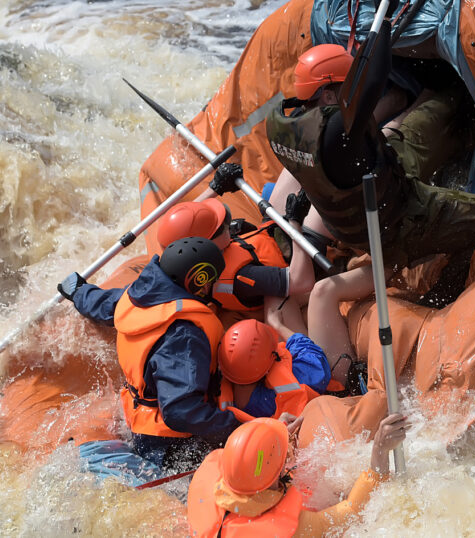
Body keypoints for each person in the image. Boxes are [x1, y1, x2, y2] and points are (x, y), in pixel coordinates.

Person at [265, 0, 475, 306]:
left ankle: (456, 107)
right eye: (343, 86)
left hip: (379, 171)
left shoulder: (281, 125)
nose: (349, 90)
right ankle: (445, 296)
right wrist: (387, 13)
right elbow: (373, 78)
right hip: (397, 218)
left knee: (446, 104)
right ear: (326, 94)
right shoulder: (335, 132)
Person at [57, 237, 238, 470]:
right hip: (167, 441)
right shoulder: (185, 335)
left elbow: (100, 303)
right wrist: (233, 428)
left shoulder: (135, 297)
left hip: (137, 418)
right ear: (199, 282)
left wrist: (79, 291)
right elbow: (180, 411)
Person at [186, 413, 410, 536]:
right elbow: (352, 512)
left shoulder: (208, 474)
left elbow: (249, 456)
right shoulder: (293, 530)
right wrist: (379, 451)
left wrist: (277, 433)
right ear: (279, 470)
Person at [155, 195, 315, 336]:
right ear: (205, 246)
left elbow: (187, 222)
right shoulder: (242, 275)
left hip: (270, 236)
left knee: (290, 176)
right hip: (301, 254)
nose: (226, 224)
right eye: (220, 228)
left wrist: (215, 188)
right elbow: (302, 281)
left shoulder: (187, 259)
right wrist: (295, 223)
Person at [215, 319, 330, 422]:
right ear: (269, 366)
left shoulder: (219, 394)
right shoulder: (271, 399)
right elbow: (315, 359)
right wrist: (278, 325)